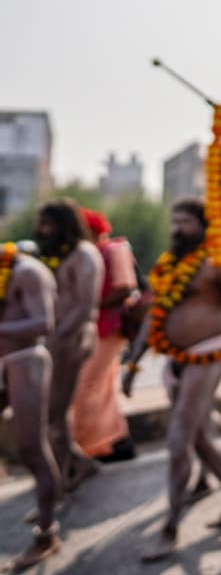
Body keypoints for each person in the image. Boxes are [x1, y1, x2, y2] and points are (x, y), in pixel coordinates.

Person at [122, 197, 221, 561]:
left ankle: (169, 528)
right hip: (174, 360)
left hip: (208, 355)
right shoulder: (168, 265)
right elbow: (153, 315)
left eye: (186, 222)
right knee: (197, 437)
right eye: (175, 222)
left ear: (204, 226)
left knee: (179, 439)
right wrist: (133, 363)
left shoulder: (220, 262)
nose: (179, 229)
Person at [33, 199, 105, 492]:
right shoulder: (56, 254)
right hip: (54, 340)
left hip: (71, 339)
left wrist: (56, 338)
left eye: (47, 224)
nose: (40, 230)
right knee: (51, 414)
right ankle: (78, 464)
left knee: (54, 415)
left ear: (63, 225)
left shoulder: (84, 254)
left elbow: (85, 305)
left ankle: (57, 485)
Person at [0, 241, 63, 570]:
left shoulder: (28, 271)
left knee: (31, 448)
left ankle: (47, 534)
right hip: (3, 362)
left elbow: (43, 323)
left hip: (27, 361)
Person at [69, 210, 137, 465]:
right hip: (94, 327)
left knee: (87, 386)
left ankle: (87, 447)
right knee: (101, 387)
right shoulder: (87, 254)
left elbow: (125, 288)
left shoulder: (113, 250)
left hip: (110, 327)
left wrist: (89, 305)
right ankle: (114, 442)